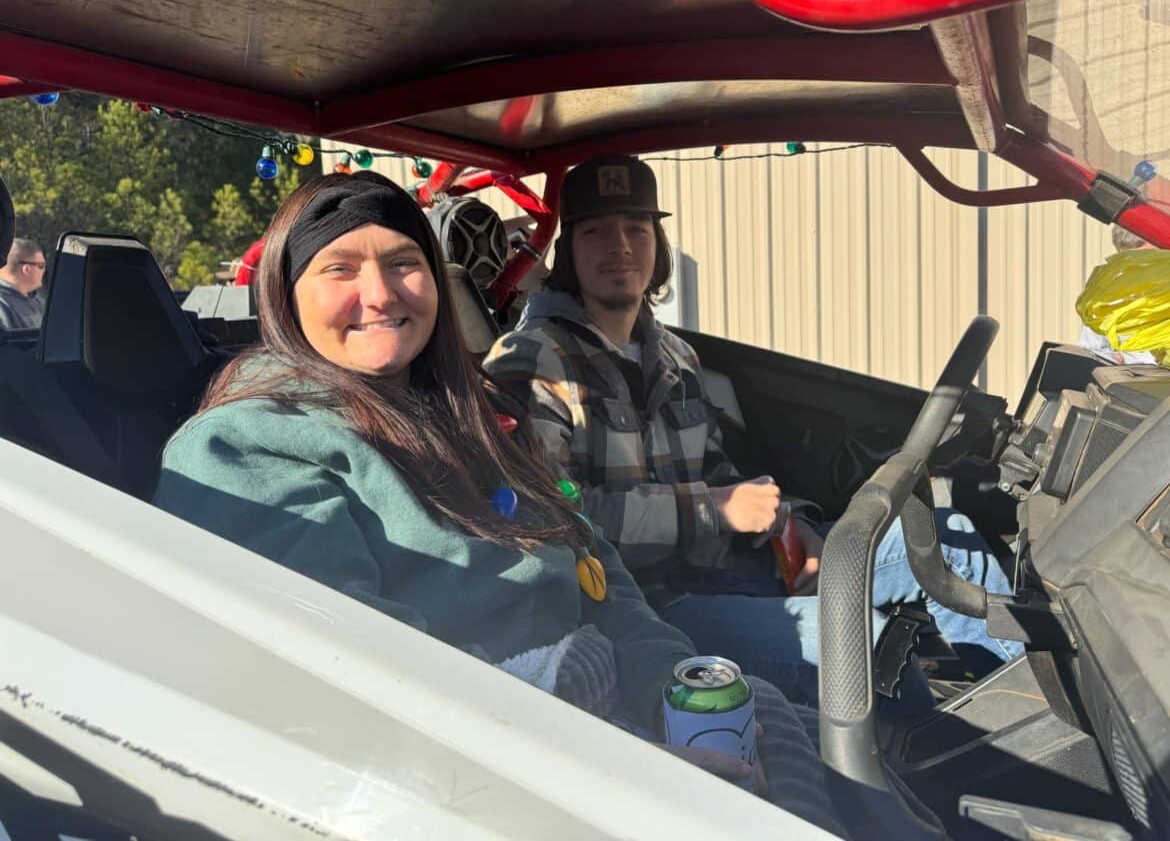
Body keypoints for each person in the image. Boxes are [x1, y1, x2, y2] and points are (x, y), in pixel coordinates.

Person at [152, 171, 847, 835]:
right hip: (490, 778)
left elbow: (600, 575)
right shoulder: (246, 447)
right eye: (340, 269)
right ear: (285, 294)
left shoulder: (472, 415)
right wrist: (618, 770)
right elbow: (359, 691)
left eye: (403, 262)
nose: (381, 293)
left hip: (589, 710)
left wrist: (672, 693)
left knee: (773, 726)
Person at [483, 154, 1023, 705]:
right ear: (568, 252)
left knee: (945, 540)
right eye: (596, 231)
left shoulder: (675, 356)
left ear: (657, 246)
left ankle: (1026, 712)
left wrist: (794, 528)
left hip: (732, 566)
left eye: (636, 229)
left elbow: (718, 473)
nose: (619, 246)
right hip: (648, 606)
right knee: (866, 645)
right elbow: (551, 520)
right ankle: (943, 756)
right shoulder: (533, 360)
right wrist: (710, 510)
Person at [1077, 224, 1157, 365]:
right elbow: (1092, 353)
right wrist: (1115, 360)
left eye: (1153, 258)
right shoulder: (1105, 299)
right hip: (1135, 378)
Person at [0, 238, 46, 331]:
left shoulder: (37, 299)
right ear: (26, 269)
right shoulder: (2, 306)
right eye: (41, 266)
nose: (44, 270)